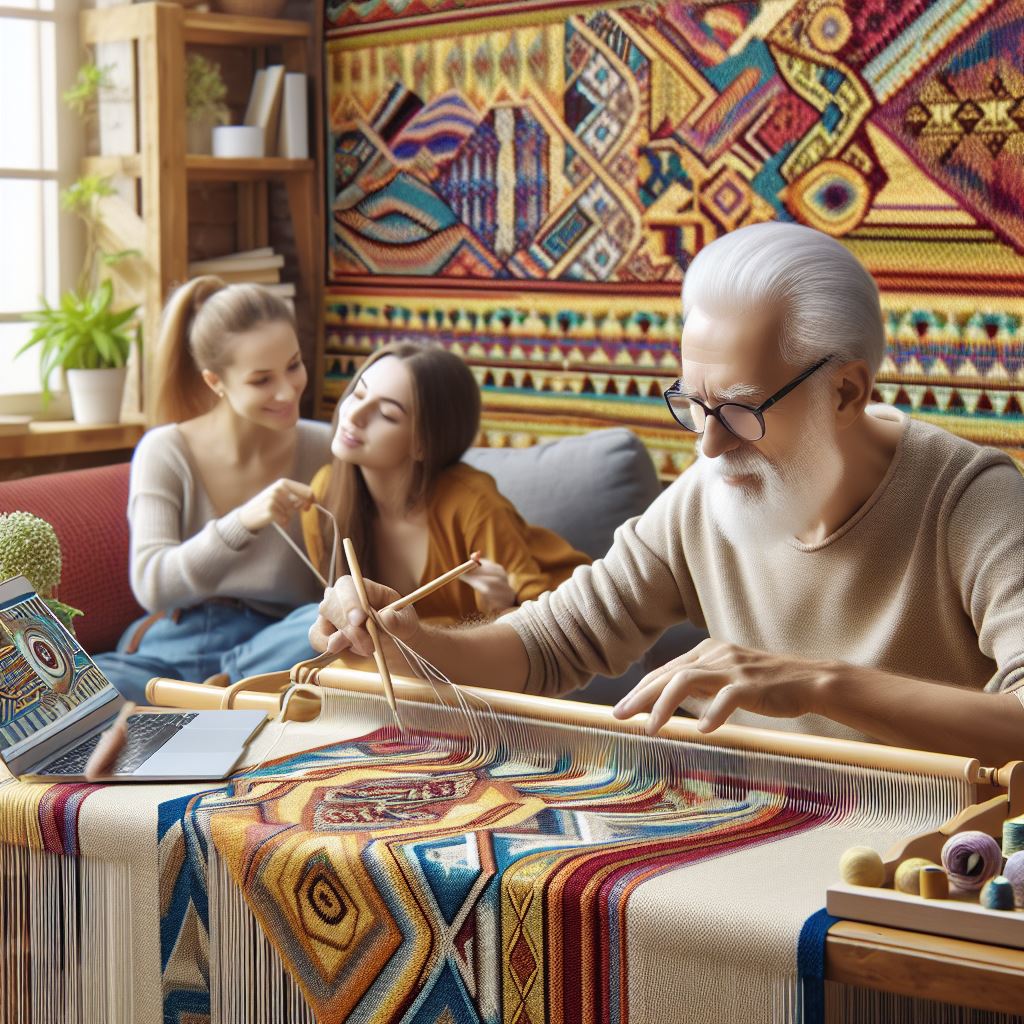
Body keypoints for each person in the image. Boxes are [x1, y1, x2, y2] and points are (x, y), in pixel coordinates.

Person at [310, 222, 1024, 764]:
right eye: (693, 404)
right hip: (750, 835)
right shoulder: (708, 494)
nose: (709, 446)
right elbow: (550, 645)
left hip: (932, 862)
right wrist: (407, 641)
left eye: (742, 411)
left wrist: (814, 684)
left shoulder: (972, 503)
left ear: (846, 391)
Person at [220, 341, 591, 677]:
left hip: (558, 642)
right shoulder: (325, 493)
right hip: (403, 668)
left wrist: (502, 602)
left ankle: (223, 682)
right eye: (358, 393)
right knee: (317, 624)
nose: (356, 414)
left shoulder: (472, 503)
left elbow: (539, 628)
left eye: (388, 414)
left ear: (423, 445)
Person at [93, 277, 331, 702]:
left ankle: (211, 694)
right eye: (261, 380)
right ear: (215, 381)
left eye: (293, 365)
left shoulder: (327, 448)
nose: (287, 390)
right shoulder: (165, 450)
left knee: (328, 619)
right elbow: (151, 585)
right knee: (64, 696)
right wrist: (242, 522)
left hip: (274, 647)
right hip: (171, 646)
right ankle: (220, 698)